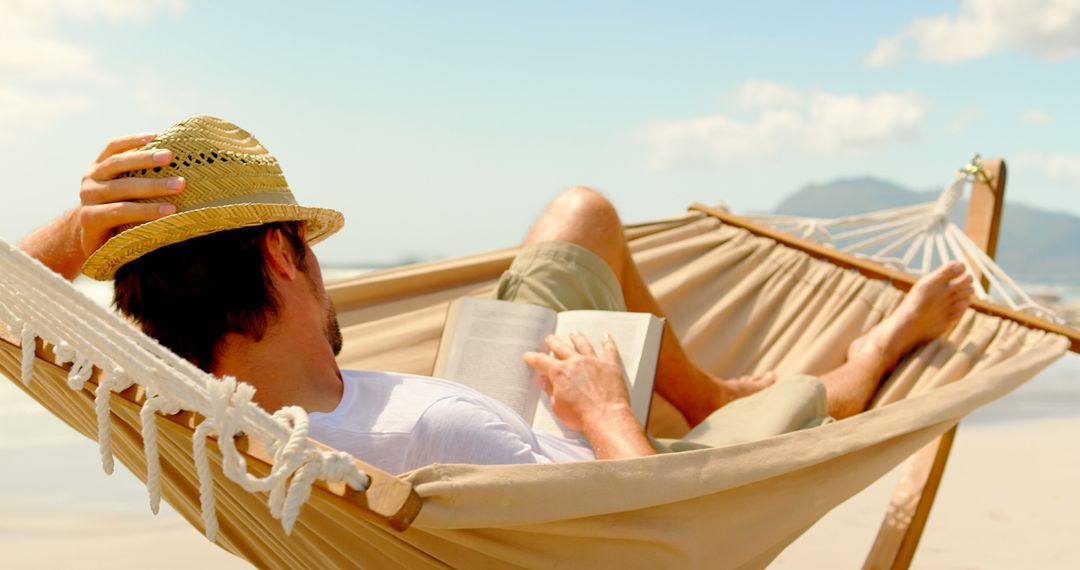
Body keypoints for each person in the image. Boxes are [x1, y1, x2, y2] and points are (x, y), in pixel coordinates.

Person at [18, 116, 974, 473]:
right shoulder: (439, 446)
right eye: (308, 244)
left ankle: (707, 388)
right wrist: (601, 415)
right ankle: (880, 347)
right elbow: (649, 537)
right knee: (810, 403)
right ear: (281, 254)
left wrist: (72, 233)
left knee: (581, 214)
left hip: (496, 383)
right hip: (592, 442)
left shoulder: (176, 405)